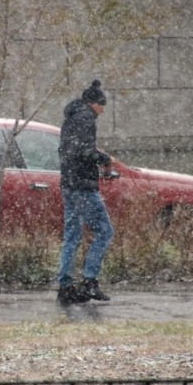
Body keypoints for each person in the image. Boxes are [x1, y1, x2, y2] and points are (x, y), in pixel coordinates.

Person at [56, 80, 115, 305]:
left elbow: (70, 149)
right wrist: (104, 159)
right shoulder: (86, 118)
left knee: (72, 235)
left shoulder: (71, 118)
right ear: (93, 103)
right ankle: (89, 281)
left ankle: (66, 286)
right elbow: (83, 150)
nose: (102, 110)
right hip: (82, 185)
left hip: (69, 183)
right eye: (102, 105)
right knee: (105, 232)